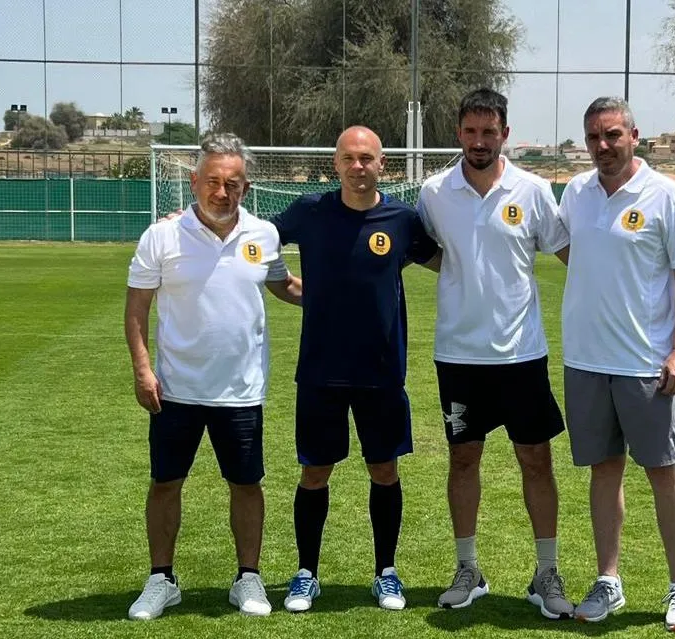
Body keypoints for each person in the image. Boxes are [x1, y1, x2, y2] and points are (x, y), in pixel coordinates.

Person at [124, 133, 301, 621]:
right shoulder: (161, 236)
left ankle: (248, 578)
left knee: (246, 485)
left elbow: (282, 285)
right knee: (165, 482)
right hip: (175, 389)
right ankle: (162, 579)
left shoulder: (263, 235)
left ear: (246, 186)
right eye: (214, 182)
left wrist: (340, 293)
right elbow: (137, 309)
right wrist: (143, 369)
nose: (222, 193)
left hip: (241, 390)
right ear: (195, 181)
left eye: (233, 184)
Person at [416, 88, 575, 620]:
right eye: (470, 131)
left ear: (505, 133)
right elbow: (426, 249)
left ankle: (546, 572)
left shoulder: (531, 190)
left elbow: (568, 251)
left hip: (521, 355)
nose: (479, 141)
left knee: (536, 459)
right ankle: (469, 569)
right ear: (458, 133)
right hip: (458, 354)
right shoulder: (434, 191)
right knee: (463, 458)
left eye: (489, 132)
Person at [272, 126, 440, 613]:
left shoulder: (403, 220)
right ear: (336, 163)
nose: (358, 166)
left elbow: (449, 264)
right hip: (321, 369)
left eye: (367, 158)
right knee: (314, 472)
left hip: (382, 370)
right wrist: (289, 288)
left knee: (384, 469)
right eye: (349, 158)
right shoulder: (310, 212)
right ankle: (306, 573)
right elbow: (256, 243)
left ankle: (385, 572)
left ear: (381, 164)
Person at [557, 97, 675, 633]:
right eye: (595, 137)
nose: (603, 146)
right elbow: (571, 251)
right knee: (603, 470)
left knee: (664, 472)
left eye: (613, 135)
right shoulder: (575, 193)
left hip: (647, 363)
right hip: (586, 361)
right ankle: (608, 582)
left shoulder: (666, 195)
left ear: (634, 135)